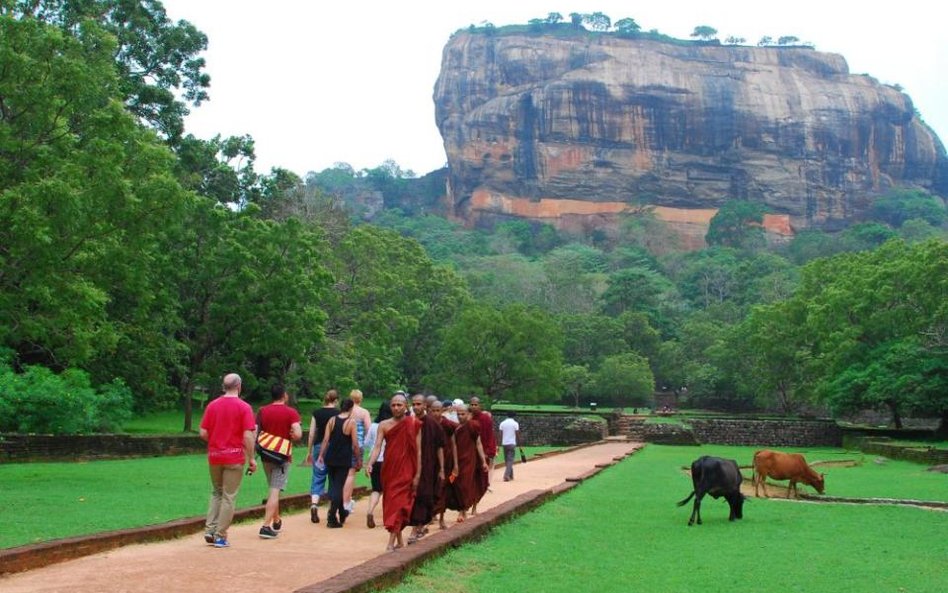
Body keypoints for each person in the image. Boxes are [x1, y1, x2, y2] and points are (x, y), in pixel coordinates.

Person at [199, 373, 256, 548]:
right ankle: (220, 535)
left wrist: (216, 442)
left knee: (216, 492)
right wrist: (252, 458)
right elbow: (248, 435)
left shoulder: (212, 405)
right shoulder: (244, 407)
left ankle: (210, 529)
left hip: (215, 456)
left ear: (224, 386)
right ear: (239, 386)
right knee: (229, 496)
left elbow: (203, 432)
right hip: (234, 456)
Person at [367, 393, 417, 551]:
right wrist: (370, 463)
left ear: (406, 406)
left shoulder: (413, 423)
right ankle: (400, 540)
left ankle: (390, 542)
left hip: (407, 468)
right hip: (389, 468)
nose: (396, 408)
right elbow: (377, 447)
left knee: (400, 503)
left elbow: (419, 449)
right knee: (392, 503)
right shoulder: (384, 424)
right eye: (393, 405)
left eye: (399, 405)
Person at [256, 384, 302, 539]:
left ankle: (276, 519)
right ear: (284, 395)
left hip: (266, 454)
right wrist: (293, 436)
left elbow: (256, 431)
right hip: (282, 456)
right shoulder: (291, 412)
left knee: (272, 488)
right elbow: (298, 433)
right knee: (275, 489)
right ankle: (265, 526)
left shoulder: (263, 411)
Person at [316, 398, 361, 528]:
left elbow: (325, 440)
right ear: (351, 408)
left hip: (331, 456)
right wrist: (358, 459)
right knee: (338, 487)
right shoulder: (351, 422)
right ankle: (331, 517)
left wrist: (321, 455)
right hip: (343, 458)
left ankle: (342, 512)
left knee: (334, 484)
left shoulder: (332, 420)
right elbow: (355, 444)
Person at [407, 394, 445, 544]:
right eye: (414, 404)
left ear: (425, 406)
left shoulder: (432, 424)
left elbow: (440, 448)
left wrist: (442, 469)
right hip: (411, 465)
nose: (416, 407)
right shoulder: (409, 422)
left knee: (423, 495)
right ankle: (418, 525)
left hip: (429, 465)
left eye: (419, 404)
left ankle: (416, 529)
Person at [447, 404, 489, 521]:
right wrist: (455, 464)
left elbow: (478, 443)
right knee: (457, 484)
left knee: (465, 484)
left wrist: (483, 461)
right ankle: (462, 508)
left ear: (469, 414)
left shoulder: (472, 426)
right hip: (458, 461)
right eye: (458, 414)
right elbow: (454, 446)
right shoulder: (456, 429)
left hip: (470, 460)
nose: (460, 416)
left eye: (463, 414)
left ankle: (463, 510)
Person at [304, 389, 339, 523]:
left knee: (318, 475)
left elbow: (312, 433)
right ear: (336, 400)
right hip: (334, 447)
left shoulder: (317, 413)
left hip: (319, 447)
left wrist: (309, 451)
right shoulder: (338, 413)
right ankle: (331, 510)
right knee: (333, 477)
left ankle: (314, 504)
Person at [363, 400, 392, 529]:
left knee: (376, 489)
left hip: (375, 460)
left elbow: (367, 443)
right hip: (389, 460)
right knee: (389, 490)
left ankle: (370, 511)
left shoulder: (374, 426)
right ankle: (388, 516)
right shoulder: (392, 424)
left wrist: (369, 462)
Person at [343, 389, 372, 513]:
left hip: (344, 444)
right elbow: (368, 428)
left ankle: (343, 500)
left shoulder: (346, 411)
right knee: (351, 474)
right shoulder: (363, 412)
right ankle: (346, 501)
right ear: (360, 399)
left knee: (342, 474)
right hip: (357, 444)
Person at [431, 400, 458, 530]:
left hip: (446, 461)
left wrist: (456, 464)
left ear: (442, 411)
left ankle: (441, 518)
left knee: (443, 490)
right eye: (433, 410)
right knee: (430, 489)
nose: (436, 413)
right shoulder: (427, 424)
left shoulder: (447, 424)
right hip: (430, 461)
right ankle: (430, 516)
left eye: (438, 410)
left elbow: (453, 444)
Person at [469, 397, 497, 488]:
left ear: (480, 406)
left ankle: (485, 485)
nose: (474, 407)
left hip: (484, 449)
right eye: (472, 405)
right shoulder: (469, 418)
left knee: (484, 471)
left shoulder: (485, 418)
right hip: (472, 450)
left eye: (475, 405)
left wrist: (488, 451)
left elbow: (489, 435)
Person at [498, 411, 520, 482]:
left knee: (507, 460)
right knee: (510, 460)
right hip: (512, 443)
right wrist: (519, 443)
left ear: (507, 415)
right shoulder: (515, 424)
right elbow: (517, 434)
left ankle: (511, 475)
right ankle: (506, 476)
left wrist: (499, 443)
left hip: (504, 443)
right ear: (514, 416)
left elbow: (500, 435)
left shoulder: (502, 423)